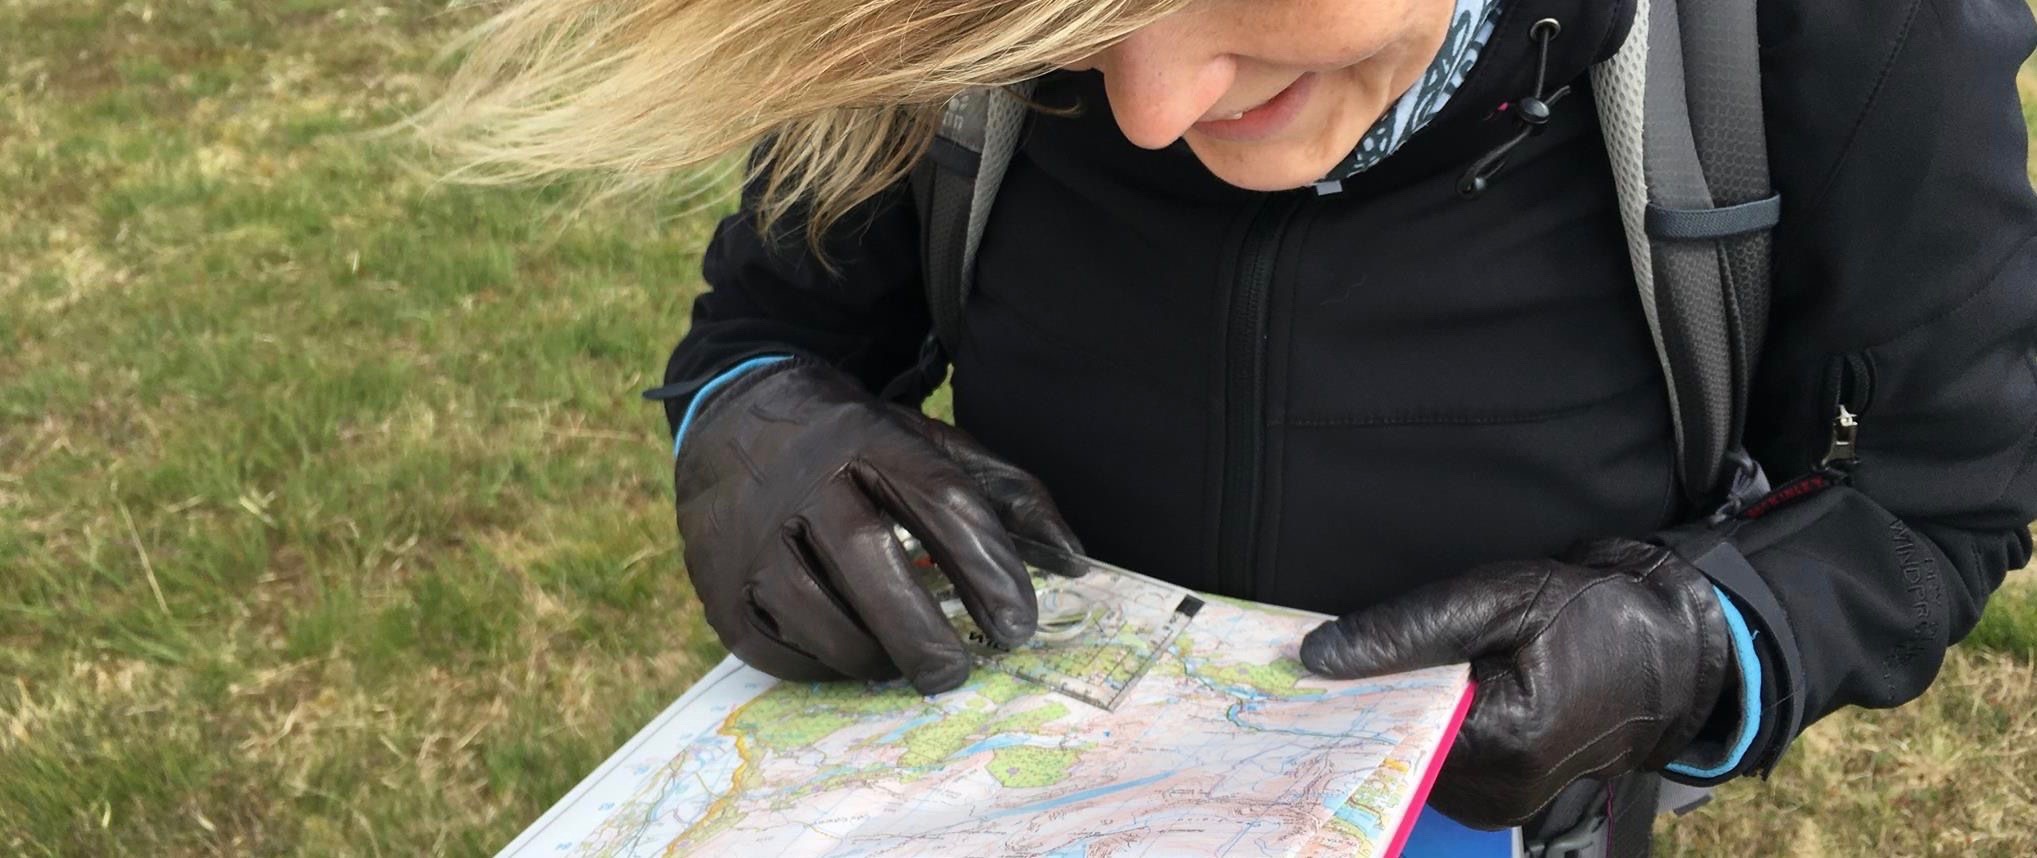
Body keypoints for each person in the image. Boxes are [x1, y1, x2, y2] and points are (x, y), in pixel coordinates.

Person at [421, 0, 2037, 852]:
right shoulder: (939, 37)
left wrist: (1695, 642)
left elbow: (1937, 494)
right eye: (1049, 23)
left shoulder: (1835, 32)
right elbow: (769, 324)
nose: (1147, 102)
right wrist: (746, 427)